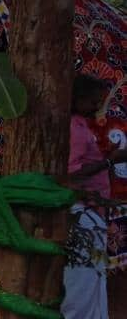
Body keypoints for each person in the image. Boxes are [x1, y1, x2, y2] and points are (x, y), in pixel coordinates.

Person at [62, 74, 127, 319]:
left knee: (93, 274)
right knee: (83, 278)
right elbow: (72, 175)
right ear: (78, 99)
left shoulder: (79, 125)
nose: (98, 108)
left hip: (90, 213)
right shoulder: (74, 129)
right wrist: (110, 161)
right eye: (93, 102)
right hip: (83, 214)